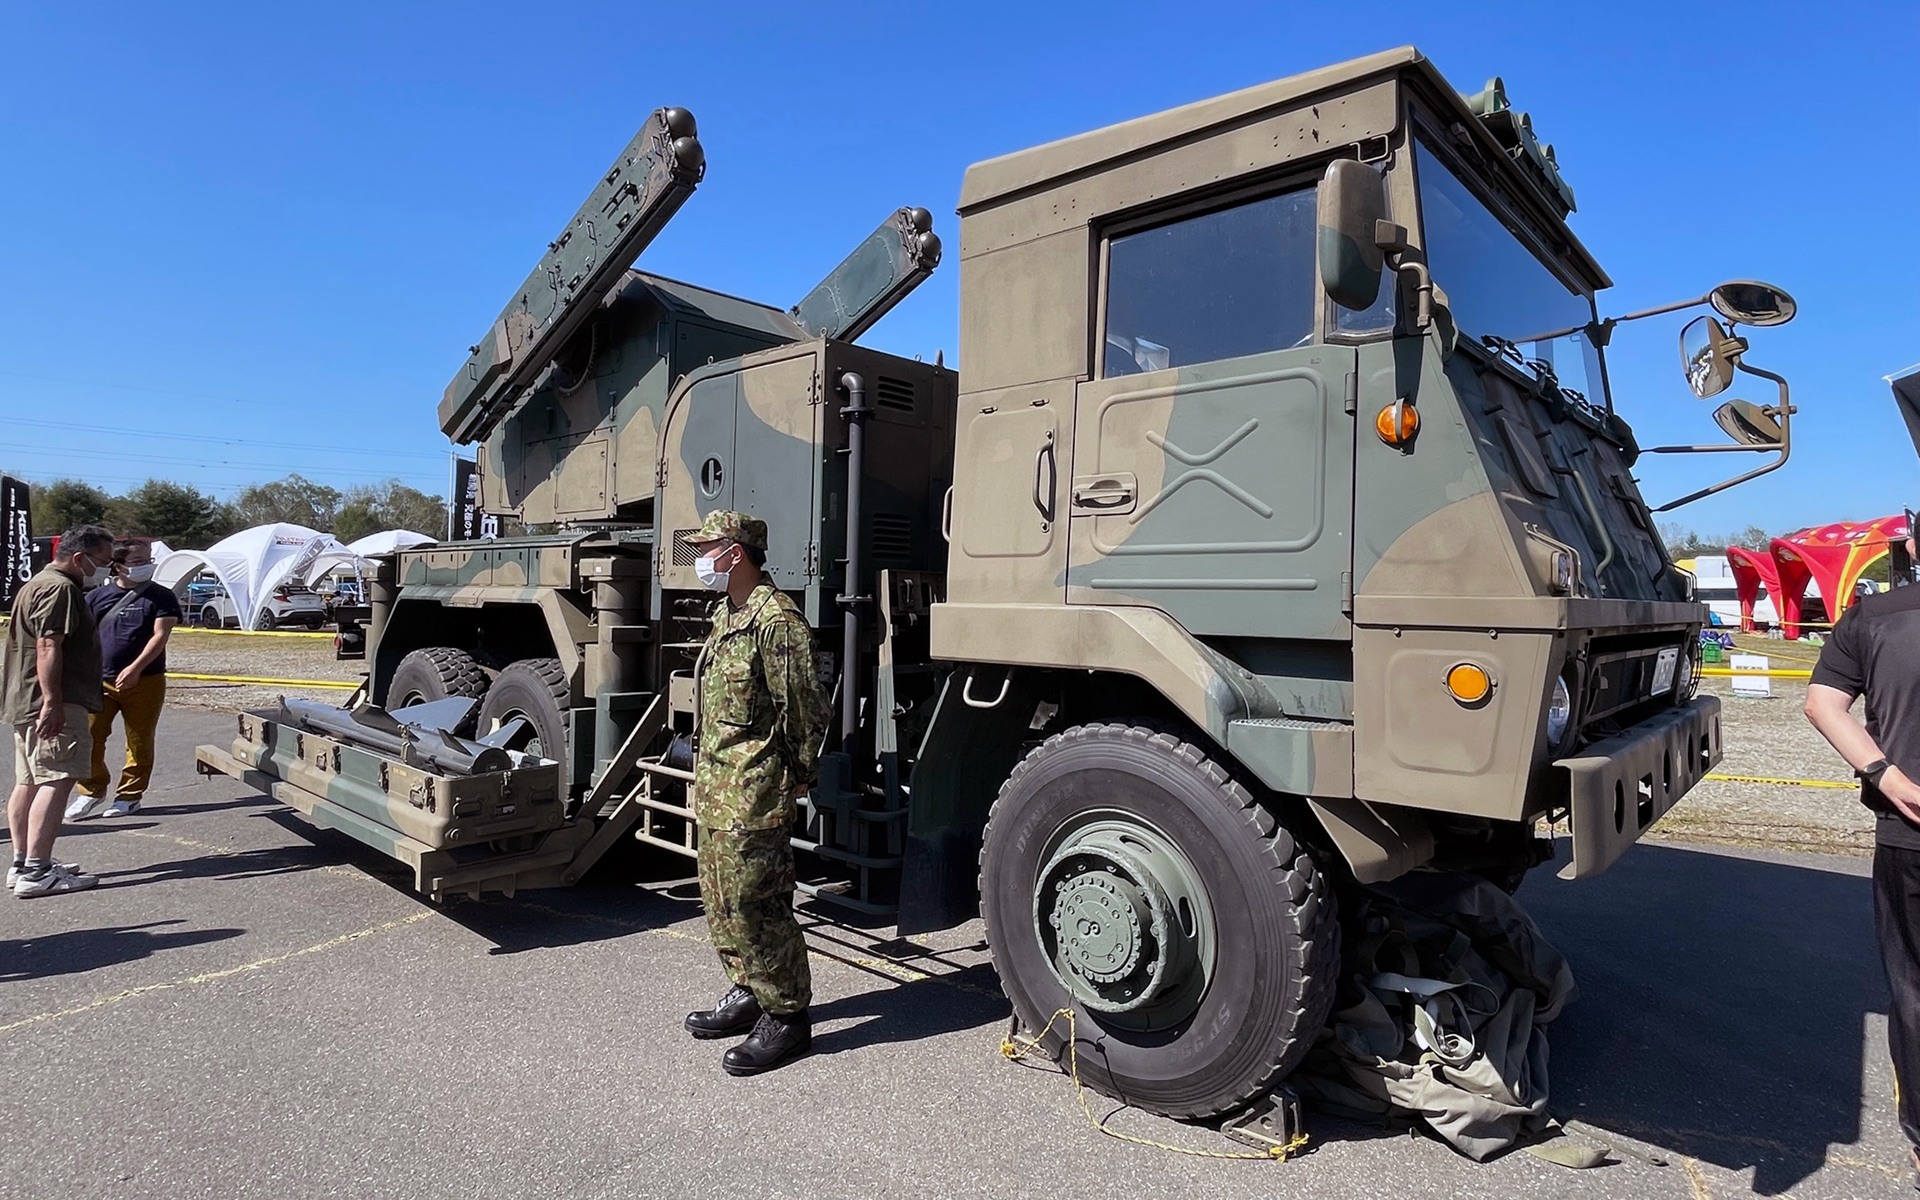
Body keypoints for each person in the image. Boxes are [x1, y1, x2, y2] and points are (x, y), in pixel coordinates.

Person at [679, 510, 829, 1076]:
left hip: (755, 790)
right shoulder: (727, 612)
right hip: (718, 787)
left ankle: (788, 1017)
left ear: (735, 553)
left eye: (707, 547)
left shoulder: (777, 620)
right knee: (719, 900)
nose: (700, 557)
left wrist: (797, 775)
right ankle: (748, 989)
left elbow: (805, 709)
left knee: (757, 903)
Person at [1804, 552, 1920, 1187]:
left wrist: (1885, 775)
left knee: (1914, 989)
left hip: (1910, 830)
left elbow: (1823, 704)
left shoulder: (1873, 616)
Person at [4, 525, 114, 897]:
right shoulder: (61, 588)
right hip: (53, 701)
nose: (106, 569)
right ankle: (37, 870)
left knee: (29, 781)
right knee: (57, 779)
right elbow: (49, 645)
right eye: (103, 561)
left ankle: (23, 864)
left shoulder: (35, 583)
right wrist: (53, 702)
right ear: (80, 558)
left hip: (26, 699)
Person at [68, 535, 181, 820]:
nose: (145, 566)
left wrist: (136, 668)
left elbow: (160, 636)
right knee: (91, 737)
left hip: (146, 680)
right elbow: (82, 637)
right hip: (99, 681)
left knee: (139, 740)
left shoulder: (162, 596)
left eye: (147, 560)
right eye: (137, 561)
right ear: (118, 565)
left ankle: (130, 795)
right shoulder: (95, 597)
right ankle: (91, 790)